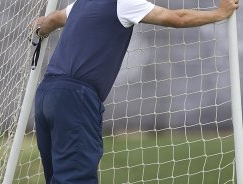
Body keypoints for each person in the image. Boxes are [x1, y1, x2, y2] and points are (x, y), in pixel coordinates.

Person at [32, 0, 239, 183]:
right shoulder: (124, 3)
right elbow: (178, 18)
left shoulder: (80, 3)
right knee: (75, 178)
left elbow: (51, 20)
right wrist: (219, 13)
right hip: (75, 99)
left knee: (57, 176)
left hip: (46, 94)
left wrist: (39, 27)